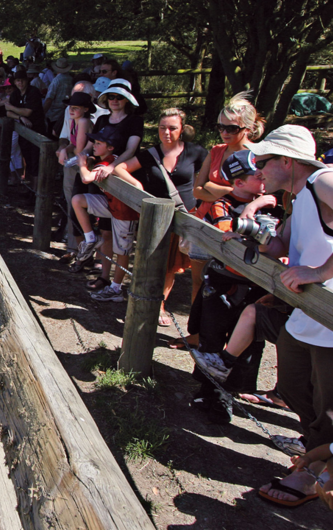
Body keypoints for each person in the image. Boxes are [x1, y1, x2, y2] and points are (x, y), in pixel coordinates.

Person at [250, 125, 333, 507]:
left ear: (287, 160)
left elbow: (312, 262)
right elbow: (285, 244)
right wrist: (254, 238)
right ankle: (314, 459)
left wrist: (318, 273)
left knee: (327, 406)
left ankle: (313, 476)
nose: (257, 171)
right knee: (295, 388)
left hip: (329, 319)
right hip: (307, 316)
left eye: (263, 161)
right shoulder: (298, 198)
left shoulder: (324, 181)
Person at [185, 150, 280, 424]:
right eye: (256, 176)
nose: (263, 179)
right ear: (238, 182)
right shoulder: (222, 204)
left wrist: (260, 204)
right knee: (212, 338)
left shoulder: (273, 204)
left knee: (247, 346)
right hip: (223, 281)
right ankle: (207, 390)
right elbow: (228, 237)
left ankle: (228, 394)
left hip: (256, 285)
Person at [177, 92, 267, 349]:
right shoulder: (216, 151)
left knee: (233, 286)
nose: (224, 133)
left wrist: (217, 190)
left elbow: (257, 193)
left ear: (248, 128)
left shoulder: (257, 157)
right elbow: (197, 189)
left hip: (237, 229)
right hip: (206, 223)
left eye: (231, 128)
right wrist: (230, 191)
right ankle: (195, 334)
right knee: (199, 281)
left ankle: (228, 341)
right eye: (220, 127)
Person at [112, 108, 207, 326]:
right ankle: (150, 304)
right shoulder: (151, 154)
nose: (167, 132)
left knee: (172, 266)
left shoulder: (196, 153)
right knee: (153, 260)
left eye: (172, 128)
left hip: (185, 217)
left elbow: (205, 178)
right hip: (157, 218)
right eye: (162, 128)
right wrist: (137, 184)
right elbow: (121, 168)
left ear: (182, 129)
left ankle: (162, 304)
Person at [68, 128, 141, 302]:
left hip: (124, 213)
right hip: (111, 206)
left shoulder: (108, 163)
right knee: (77, 200)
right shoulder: (105, 160)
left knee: (122, 251)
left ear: (110, 148)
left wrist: (82, 162)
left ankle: (116, 288)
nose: (94, 146)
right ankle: (90, 237)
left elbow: (86, 178)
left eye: (99, 143)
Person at [57, 82, 109, 262]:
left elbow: (80, 148)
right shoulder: (75, 120)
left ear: (86, 109)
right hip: (77, 164)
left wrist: (70, 153)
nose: (71, 110)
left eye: (76, 107)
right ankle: (79, 249)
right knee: (74, 207)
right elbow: (73, 144)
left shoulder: (84, 122)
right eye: (71, 107)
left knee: (77, 207)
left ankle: (83, 250)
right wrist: (65, 149)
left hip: (82, 168)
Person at [0, 67, 46, 192]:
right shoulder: (15, 94)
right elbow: (6, 112)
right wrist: (20, 117)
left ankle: (36, 191)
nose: (20, 83)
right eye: (18, 81)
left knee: (36, 162)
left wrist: (12, 108)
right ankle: (29, 188)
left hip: (37, 131)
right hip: (24, 132)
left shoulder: (33, 92)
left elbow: (28, 112)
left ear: (26, 80)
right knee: (27, 159)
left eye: (22, 80)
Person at [43, 58, 74, 136]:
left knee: (51, 136)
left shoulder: (56, 81)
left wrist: (43, 112)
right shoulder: (71, 79)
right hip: (67, 112)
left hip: (54, 114)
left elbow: (49, 99)